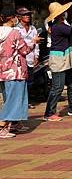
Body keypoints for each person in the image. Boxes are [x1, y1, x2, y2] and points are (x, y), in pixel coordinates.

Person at [43, 1, 72, 121]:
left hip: (66, 58)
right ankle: (49, 113)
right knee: (57, 87)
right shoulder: (58, 27)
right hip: (59, 59)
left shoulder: (61, 24)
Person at [0, 9, 37, 138]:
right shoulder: (14, 33)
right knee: (14, 100)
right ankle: (2, 126)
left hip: (3, 71)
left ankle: (14, 124)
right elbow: (24, 50)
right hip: (16, 70)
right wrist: (33, 42)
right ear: (12, 18)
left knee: (8, 98)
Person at [16, 7, 39, 98]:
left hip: (30, 58)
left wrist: (36, 56)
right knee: (21, 82)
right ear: (19, 17)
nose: (27, 16)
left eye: (28, 14)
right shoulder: (16, 30)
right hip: (20, 60)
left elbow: (36, 44)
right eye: (25, 15)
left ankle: (26, 100)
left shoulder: (33, 28)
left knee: (30, 81)